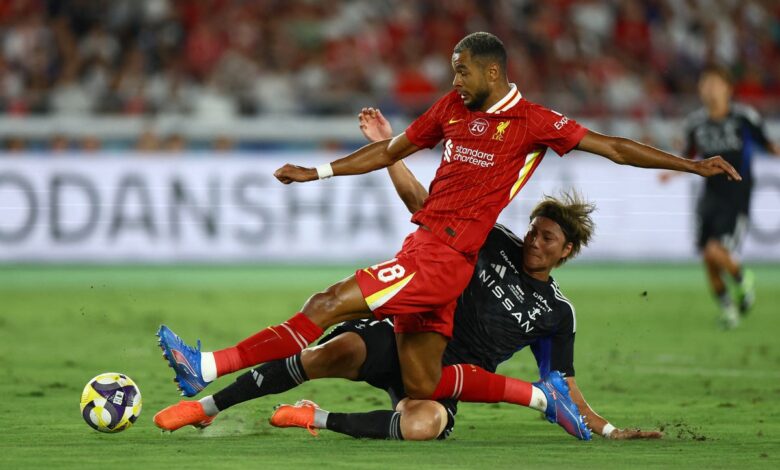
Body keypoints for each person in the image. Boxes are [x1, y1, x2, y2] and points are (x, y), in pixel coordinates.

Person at [156, 32, 739, 426]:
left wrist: (691, 166)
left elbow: (612, 147)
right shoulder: (452, 109)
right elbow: (392, 150)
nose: (455, 79)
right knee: (422, 383)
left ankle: (207, 368)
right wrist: (319, 172)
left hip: (443, 259)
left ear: (493, 71)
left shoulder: (532, 121)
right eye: (453, 71)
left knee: (327, 303)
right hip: (425, 247)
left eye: (463, 70)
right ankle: (542, 399)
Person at [152, 108, 662, 442]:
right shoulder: (494, 240)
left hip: (449, 373)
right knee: (327, 352)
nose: (534, 241)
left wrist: (607, 429)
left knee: (425, 424)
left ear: (566, 251)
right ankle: (209, 405)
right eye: (534, 230)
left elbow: (563, 382)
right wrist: (388, 151)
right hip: (407, 334)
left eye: (547, 238)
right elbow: (425, 206)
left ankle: (317, 418)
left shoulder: (556, 313)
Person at [662, 64, 779, 329]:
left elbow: (769, 145)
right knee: (708, 257)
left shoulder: (744, 118)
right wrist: (672, 173)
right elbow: (688, 158)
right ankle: (728, 309)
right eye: (705, 84)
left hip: (736, 196)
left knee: (717, 251)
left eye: (715, 84)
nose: (710, 89)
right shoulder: (695, 124)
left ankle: (742, 278)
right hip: (709, 196)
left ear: (728, 89)